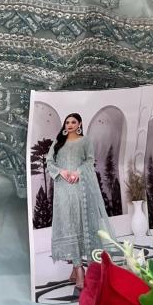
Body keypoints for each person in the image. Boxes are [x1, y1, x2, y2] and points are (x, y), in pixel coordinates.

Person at [46, 113, 112, 291]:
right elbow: (49, 162)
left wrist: (77, 172)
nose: (69, 125)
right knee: (68, 225)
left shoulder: (85, 141)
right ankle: (78, 269)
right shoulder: (58, 141)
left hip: (80, 187)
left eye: (73, 122)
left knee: (82, 224)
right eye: (67, 122)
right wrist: (61, 172)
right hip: (63, 188)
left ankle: (80, 270)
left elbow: (90, 161)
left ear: (79, 124)